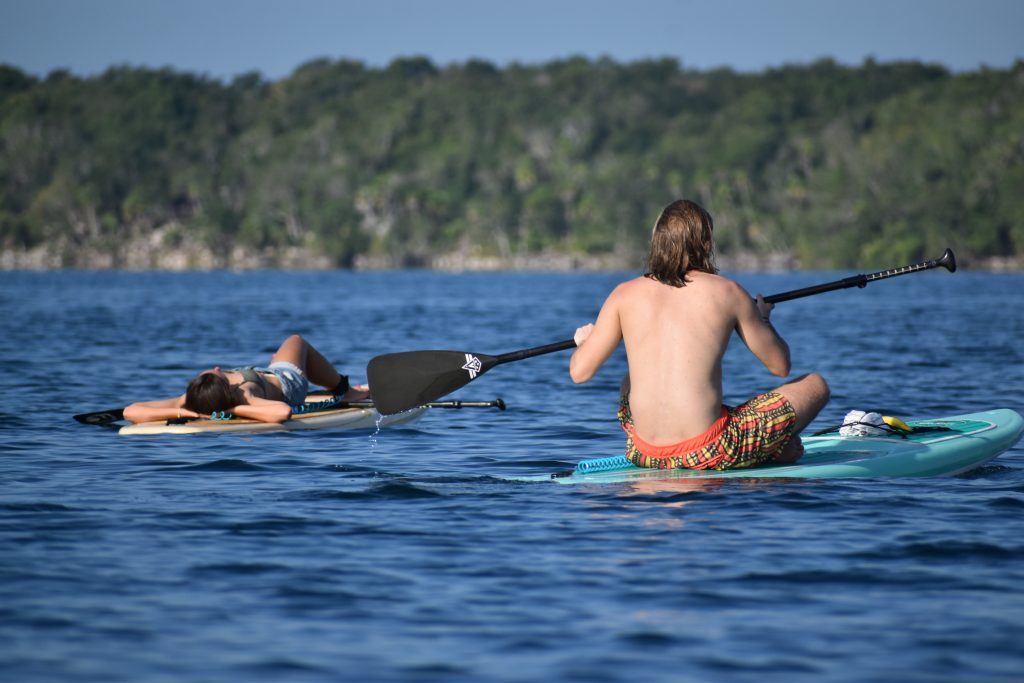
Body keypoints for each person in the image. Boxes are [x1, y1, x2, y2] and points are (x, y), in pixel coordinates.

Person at [569, 199, 830, 470]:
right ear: (705, 244)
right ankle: (774, 449)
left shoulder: (623, 293)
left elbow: (580, 372)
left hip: (642, 450)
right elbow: (780, 366)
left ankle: (773, 447)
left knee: (631, 380)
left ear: (657, 241)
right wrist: (762, 319)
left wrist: (586, 344)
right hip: (709, 450)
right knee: (816, 385)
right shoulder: (728, 292)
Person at [123, 334, 369, 424]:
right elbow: (282, 413)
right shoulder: (244, 397)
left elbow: (130, 412)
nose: (218, 366)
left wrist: (183, 413)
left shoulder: (189, 401)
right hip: (287, 381)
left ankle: (339, 389)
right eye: (217, 373)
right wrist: (236, 408)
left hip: (264, 375)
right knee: (296, 341)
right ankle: (344, 390)